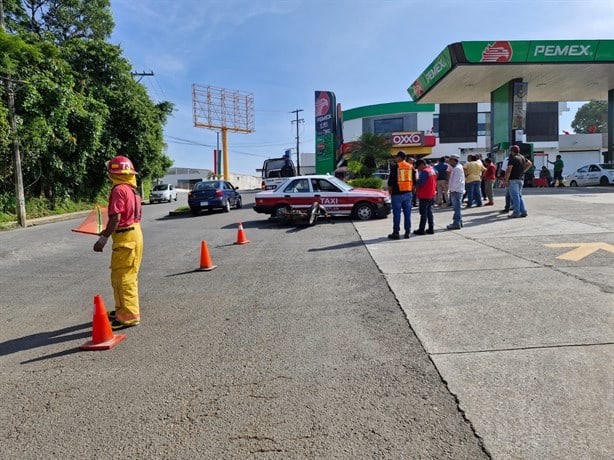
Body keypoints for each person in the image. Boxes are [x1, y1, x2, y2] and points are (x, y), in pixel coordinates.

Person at [94, 155, 143, 330]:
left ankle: (128, 316)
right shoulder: (132, 190)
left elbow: (115, 219)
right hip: (134, 233)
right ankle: (121, 309)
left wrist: (103, 239)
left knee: (123, 278)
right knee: (122, 275)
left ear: (114, 173)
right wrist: (108, 231)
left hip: (125, 237)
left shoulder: (118, 190)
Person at [387, 151, 413, 239]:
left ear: (400, 157)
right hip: (408, 193)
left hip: (397, 194)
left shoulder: (395, 167)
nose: (395, 158)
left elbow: (390, 182)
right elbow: (414, 181)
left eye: (396, 157)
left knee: (397, 214)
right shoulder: (410, 167)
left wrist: (390, 191)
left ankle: (396, 233)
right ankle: (407, 232)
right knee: (407, 214)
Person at [504, 145, 532, 218]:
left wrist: (506, 180)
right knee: (519, 196)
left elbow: (508, 170)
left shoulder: (512, 158)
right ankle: (523, 211)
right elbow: (529, 163)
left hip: (513, 180)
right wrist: (523, 171)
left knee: (515, 197)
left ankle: (516, 212)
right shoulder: (522, 157)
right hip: (520, 179)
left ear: (512, 151)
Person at [413, 159, 436, 235]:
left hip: (424, 194)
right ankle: (431, 228)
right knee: (429, 212)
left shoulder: (424, 172)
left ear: (422, 164)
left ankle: (421, 229)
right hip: (431, 193)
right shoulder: (431, 170)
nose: (418, 169)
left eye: (418, 167)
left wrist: (416, 182)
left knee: (423, 213)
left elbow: (420, 183)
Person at [446, 154, 465, 230]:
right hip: (457, 190)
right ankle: (459, 221)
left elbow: (457, 181)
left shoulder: (457, 168)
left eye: (450, 160)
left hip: (456, 190)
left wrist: (453, 189)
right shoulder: (457, 168)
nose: (449, 162)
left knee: (457, 208)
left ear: (454, 160)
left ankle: (456, 223)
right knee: (457, 208)